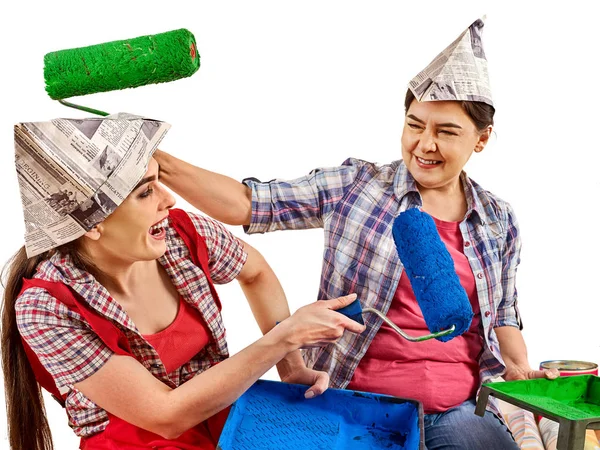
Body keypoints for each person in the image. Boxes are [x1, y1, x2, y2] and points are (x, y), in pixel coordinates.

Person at [152, 19, 560, 450]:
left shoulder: (498, 218)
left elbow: (503, 315)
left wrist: (518, 368)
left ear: (481, 139)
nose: (424, 144)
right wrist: (152, 155)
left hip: (456, 409)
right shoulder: (357, 187)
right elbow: (246, 203)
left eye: (446, 132)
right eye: (415, 124)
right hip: (355, 404)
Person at [2, 120, 365, 450]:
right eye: (145, 193)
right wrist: (285, 336)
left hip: (223, 416)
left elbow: (255, 273)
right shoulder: (46, 307)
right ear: (92, 224)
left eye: (159, 181)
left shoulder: (179, 236)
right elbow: (165, 416)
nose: (169, 199)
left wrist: (291, 366)